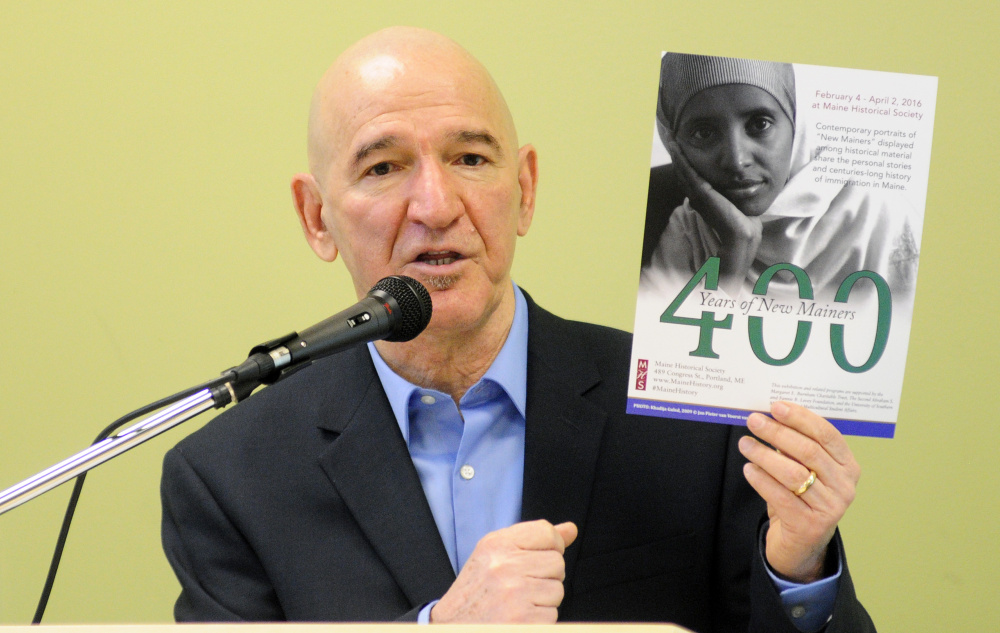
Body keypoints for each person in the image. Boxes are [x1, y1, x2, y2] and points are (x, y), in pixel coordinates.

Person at [160, 28, 875, 632]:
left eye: (470, 159)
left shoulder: (688, 410)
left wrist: (799, 564)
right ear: (318, 218)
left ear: (525, 189)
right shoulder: (230, 477)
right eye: (384, 166)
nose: (437, 205)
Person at [641, 53, 918, 301]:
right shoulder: (690, 228)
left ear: (796, 125)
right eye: (704, 133)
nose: (737, 161)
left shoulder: (876, 212)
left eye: (759, 124)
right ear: (675, 146)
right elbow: (667, 350)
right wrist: (733, 256)